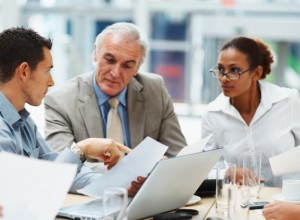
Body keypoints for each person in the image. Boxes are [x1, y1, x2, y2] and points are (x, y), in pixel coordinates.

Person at [0, 27, 143, 196]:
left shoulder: (22, 121)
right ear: (24, 71)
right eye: (47, 71)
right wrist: (82, 149)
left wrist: (118, 185)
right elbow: (37, 188)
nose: (51, 82)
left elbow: (57, 170)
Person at [44, 22, 186, 158]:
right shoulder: (61, 101)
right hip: (92, 183)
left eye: (127, 66)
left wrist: (161, 166)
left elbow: (178, 152)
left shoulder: (155, 89)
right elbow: (63, 160)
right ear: (95, 53)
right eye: (110, 60)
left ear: (137, 67)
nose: (115, 73)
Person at [202, 36, 300, 187]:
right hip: (240, 204)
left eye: (234, 70)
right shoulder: (212, 114)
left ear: (256, 73)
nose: (224, 78)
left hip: (286, 202)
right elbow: (204, 169)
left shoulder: (288, 100)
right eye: (221, 70)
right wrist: (228, 172)